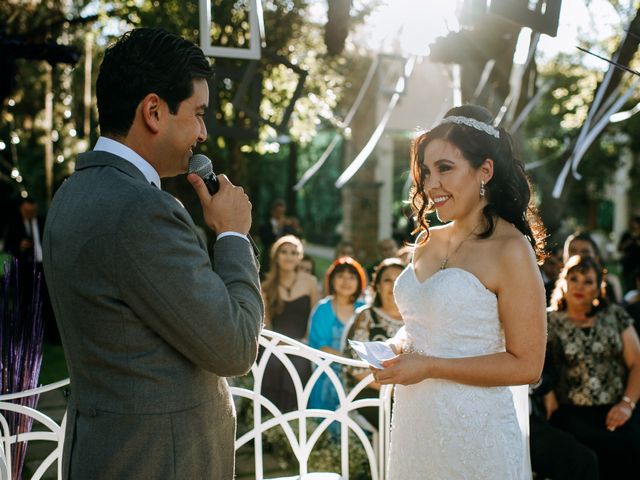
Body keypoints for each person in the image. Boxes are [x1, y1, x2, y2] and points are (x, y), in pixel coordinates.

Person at [42, 28, 264, 479]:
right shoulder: (143, 210)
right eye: (198, 114)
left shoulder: (72, 192)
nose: (202, 133)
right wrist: (233, 236)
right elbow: (236, 346)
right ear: (154, 111)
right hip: (158, 462)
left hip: (106, 452)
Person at [372, 105, 547, 479]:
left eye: (445, 168)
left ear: (484, 170)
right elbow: (430, 324)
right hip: (414, 426)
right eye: (426, 172)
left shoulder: (511, 250)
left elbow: (528, 365)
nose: (431, 184)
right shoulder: (426, 241)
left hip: (476, 437)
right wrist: (398, 349)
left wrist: (430, 367)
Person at [545, 255, 640, 478]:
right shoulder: (549, 321)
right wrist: (548, 393)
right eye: (573, 278)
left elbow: (637, 362)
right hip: (571, 415)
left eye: (588, 281)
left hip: (616, 412)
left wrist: (627, 404)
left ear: (598, 289)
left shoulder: (615, 316)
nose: (579, 286)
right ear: (563, 282)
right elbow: (540, 365)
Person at [343, 258, 404, 427]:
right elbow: (355, 367)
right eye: (387, 280)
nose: (393, 285)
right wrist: (392, 391)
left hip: (408, 393)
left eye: (399, 279)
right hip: (369, 391)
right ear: (377, 286)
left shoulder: (416, 320)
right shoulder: (366, 316)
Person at [261, 235, 319, 411]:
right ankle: (270, 424)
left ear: (299, 257)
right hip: (275, 346)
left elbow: (315, 317)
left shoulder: (310, 282)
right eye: (284, 252)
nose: (288, 256)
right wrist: (277, 344)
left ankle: (294, 425)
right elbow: (266, 324)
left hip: (303, 345)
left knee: (297, 369)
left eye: (294, 253)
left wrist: (305, 343)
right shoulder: (266, 285)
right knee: (271, 367)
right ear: (276, 256)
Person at [308, 257, 366, 411]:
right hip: (328, 373)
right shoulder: (323, 309)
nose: (346, 281)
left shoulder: (364, 310)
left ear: (359, 281)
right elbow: (321, 346)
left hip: (359, 376)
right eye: (341, 276)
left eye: (352, 277)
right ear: (332, 280)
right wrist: (349, 363)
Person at [564, 230, 622, 303]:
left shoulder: (610, 284)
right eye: (573, 251)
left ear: (596, 257)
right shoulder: (551, 286)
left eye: (585, 252)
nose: (578, 256)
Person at [619, 215, 640, 294]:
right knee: (628, 287)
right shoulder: (627, 235)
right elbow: (620, 248)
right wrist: (631, 240)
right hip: (628, 265)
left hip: (638, 265)